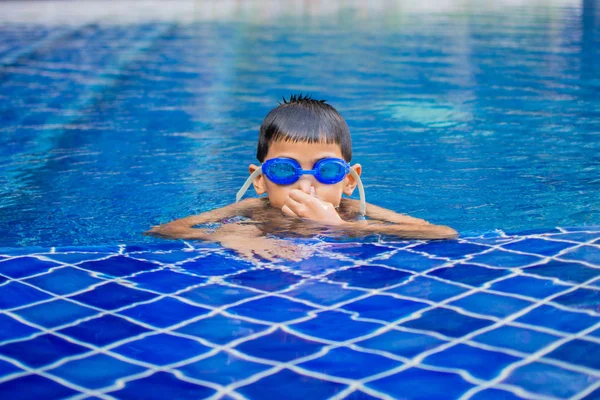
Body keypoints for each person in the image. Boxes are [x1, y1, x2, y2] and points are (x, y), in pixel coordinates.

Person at [146, 94, 457, 260]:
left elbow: (442, 234)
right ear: (260, 180)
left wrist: (340, 228)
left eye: (327, 171)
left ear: (349, 180)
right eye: (284, 170)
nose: (306, 185)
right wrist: (224, 236)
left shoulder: (352, 211)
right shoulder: (253, 211)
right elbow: (164, 230)